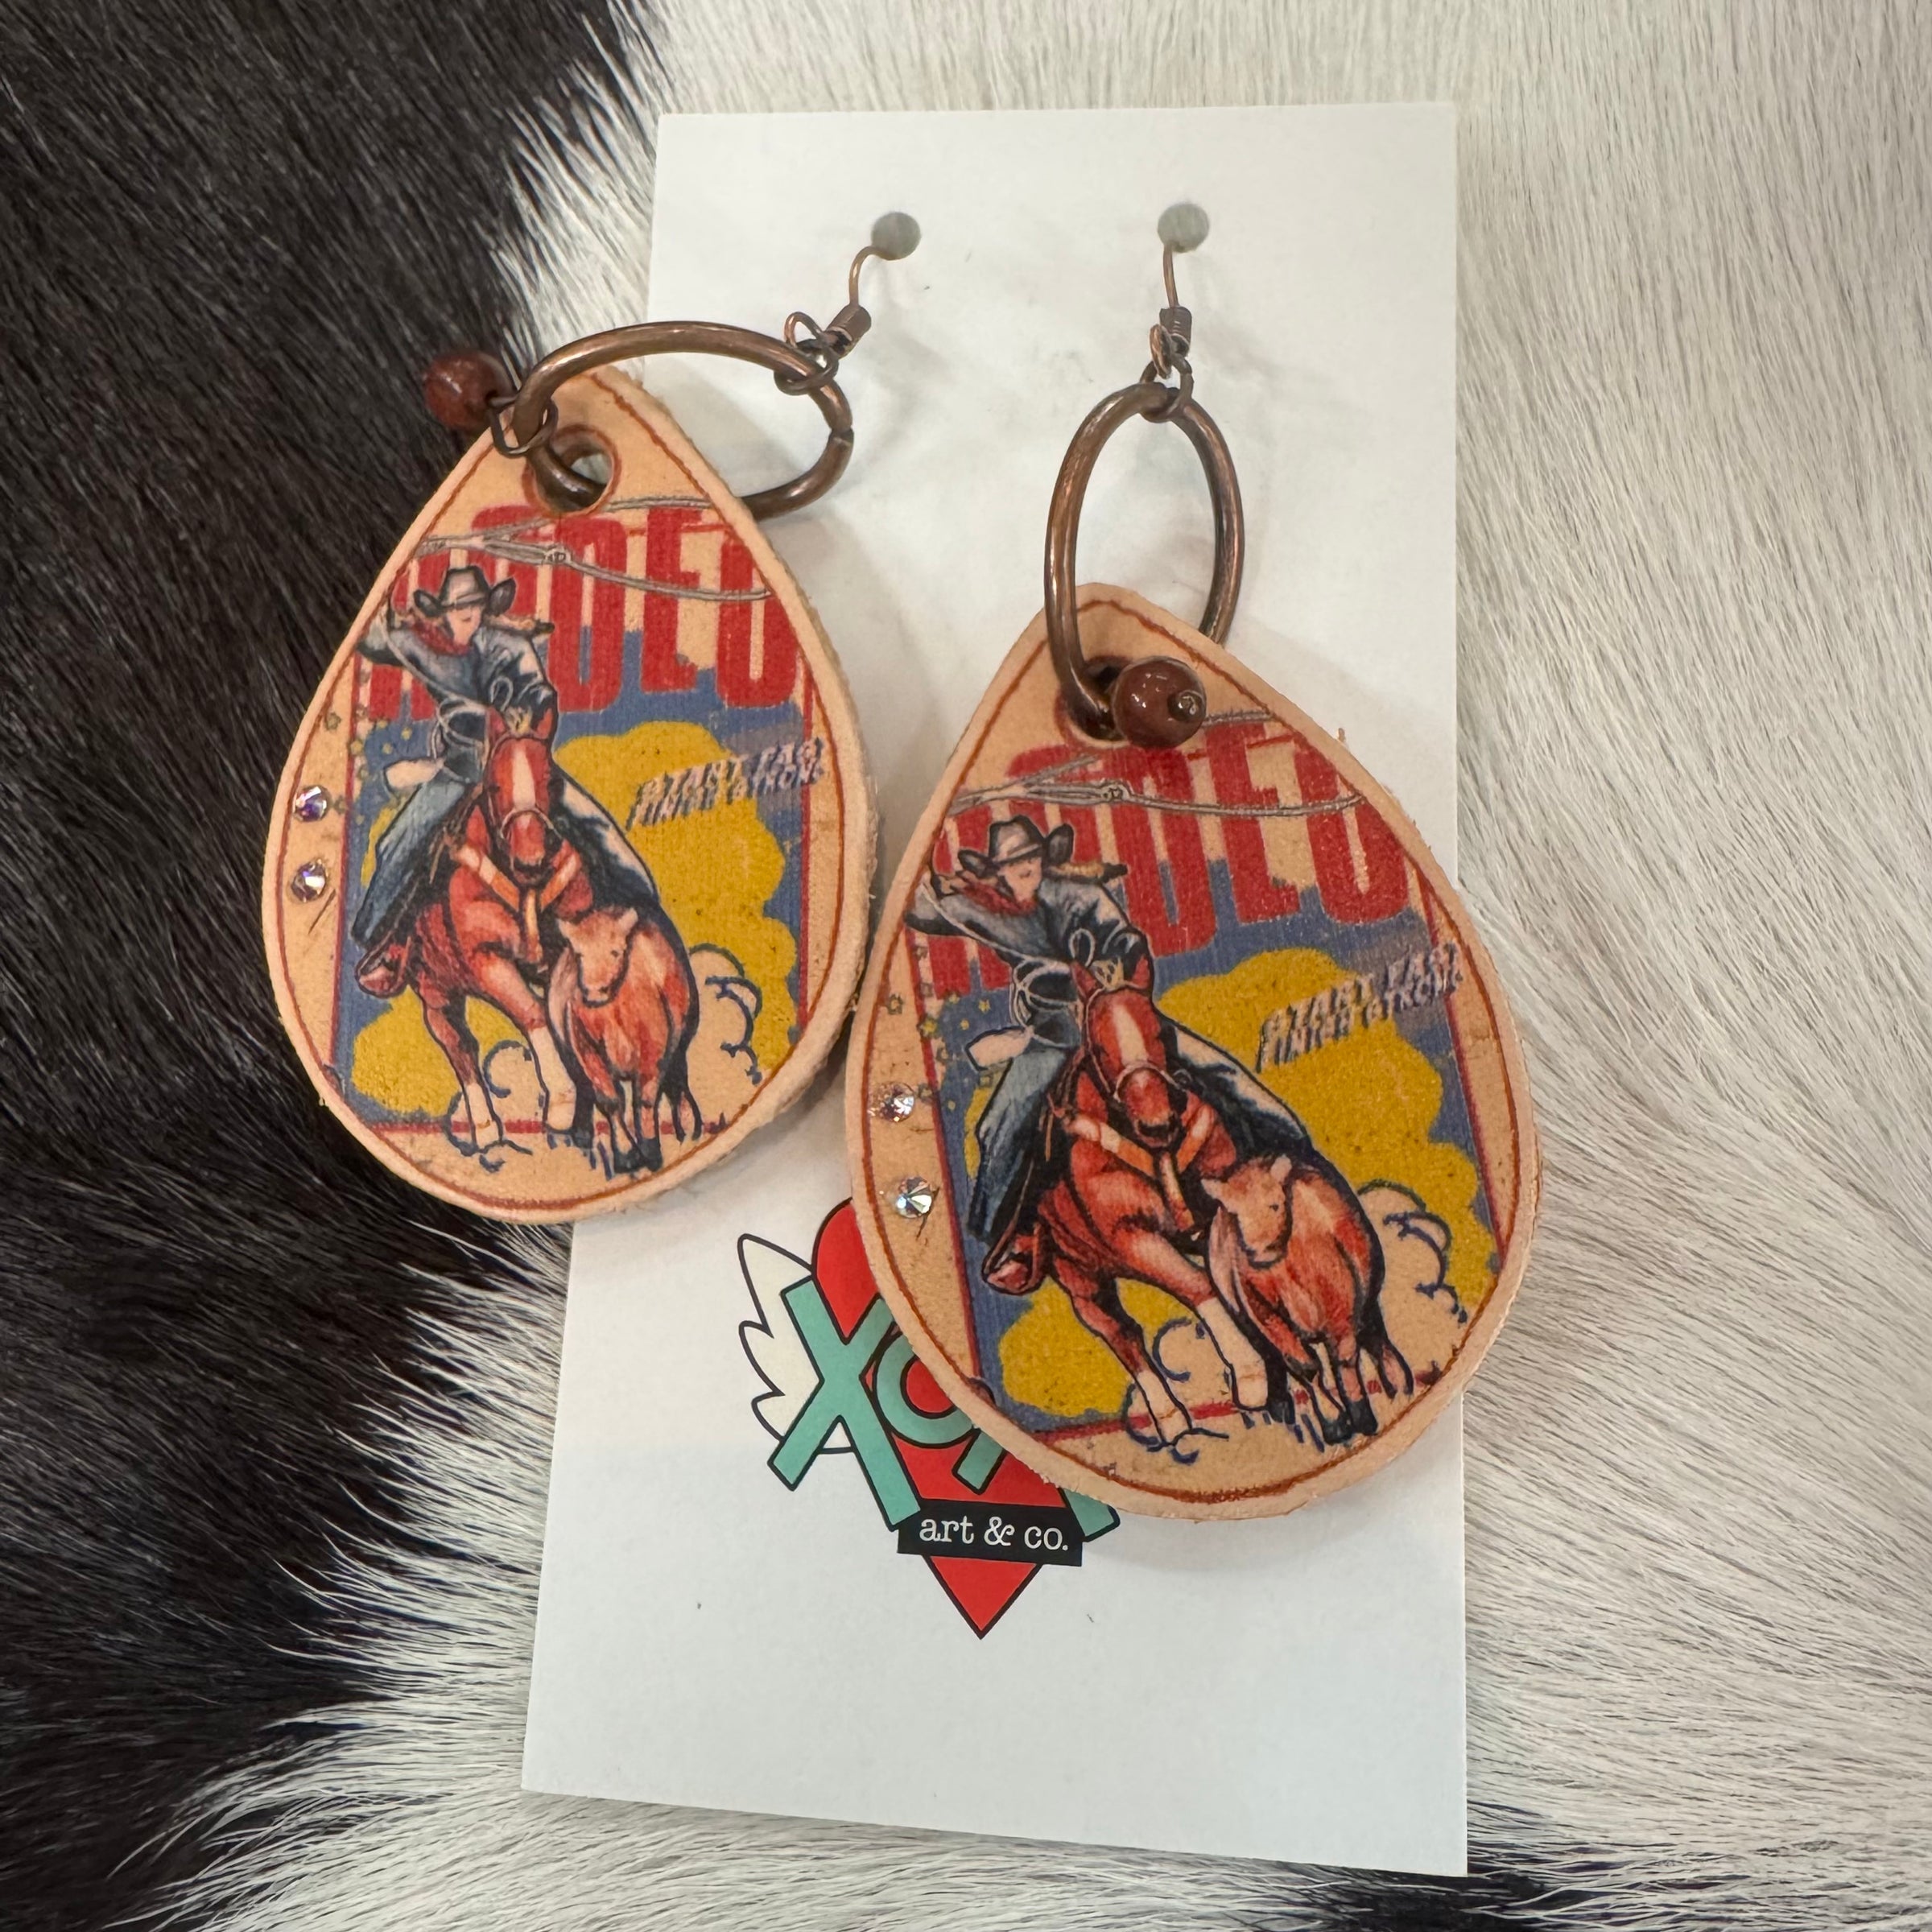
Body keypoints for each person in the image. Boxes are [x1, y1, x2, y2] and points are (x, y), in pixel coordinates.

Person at [907, 813, 1311, 1290]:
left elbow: (1128, 947)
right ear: (997, 874)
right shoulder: (984, 909)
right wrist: (924, 862)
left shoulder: (1082, 897)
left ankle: (1291, 1152)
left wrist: (1103, 983)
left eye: (1030, 859)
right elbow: (919, 910)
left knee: (1221, 1072)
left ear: (1044, 858)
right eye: (1012, 865)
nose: (1024, 870)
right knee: (1000, 1124)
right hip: (1054, 1034)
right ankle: (1014, 1235)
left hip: (1117, 1020)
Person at [350, 564, 661, 997]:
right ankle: (384, 942)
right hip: (460, 766)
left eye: (474, 608)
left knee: (594, 826)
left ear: (486, 609)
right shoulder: (421, 644)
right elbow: (368, 639)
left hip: (516, 763)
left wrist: (520, 725)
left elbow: (539, 696)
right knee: (402, 841)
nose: (467, 616)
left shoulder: (510, 646)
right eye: (458, 609)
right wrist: (382, 600)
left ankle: (641, 906)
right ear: (443, 613)